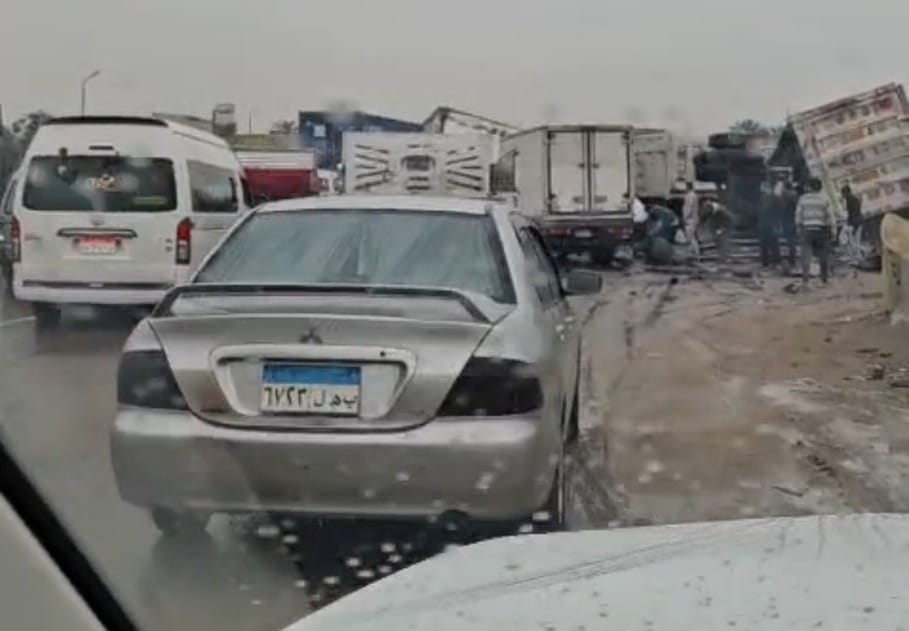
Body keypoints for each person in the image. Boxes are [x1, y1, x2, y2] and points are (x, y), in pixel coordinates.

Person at [796, 177, 837, 284]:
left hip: (807, 229)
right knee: (823, 255)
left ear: (809, 187)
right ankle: (824, 279)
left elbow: (798, 216)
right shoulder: (825, 199)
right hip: (821, 230)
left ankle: (805, 280)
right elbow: (830, 217)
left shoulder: (803, 199)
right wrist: (833, 231)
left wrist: (799, 228)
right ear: (820, 187)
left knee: (806, 255)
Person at [701, 199, 734, 264]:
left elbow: (729, 220)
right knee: (717, 241)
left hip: (725, 226)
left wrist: (723, 228)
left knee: (723, 241)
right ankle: (721, 257)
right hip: (715, 225)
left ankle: (726, 258)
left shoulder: (722, 211)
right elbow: (704, 216)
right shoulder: (708, 210)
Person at [759, 183, 782, 268]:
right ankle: (771, 261)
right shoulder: (772, 198)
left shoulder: (770, 199)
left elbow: (777, 211)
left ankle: (769, 262)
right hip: (767, 223)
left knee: (771, 244)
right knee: (771, 244)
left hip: (768, 224)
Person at [841, 184, 863, 262]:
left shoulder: (850, 200)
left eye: (843, 193)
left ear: (846, 193)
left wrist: (853, 227)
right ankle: (857, 256)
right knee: (855, 241)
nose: (842, 195)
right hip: (857, 222)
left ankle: (857, 257)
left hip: (854, 223)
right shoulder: (852, 199)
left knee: (854, 241)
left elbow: (853, 213)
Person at [780, 182, 799, 267]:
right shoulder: (795, 195)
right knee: (792, 241)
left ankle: (792, 259)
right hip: (793, 219)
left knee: (790, 241)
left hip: (787, 220)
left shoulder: (784, 194)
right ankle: (792, 259)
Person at [682, 182, 700, 258]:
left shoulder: (689, 196)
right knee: (692, 238)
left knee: (690, 239)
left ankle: (694, 255)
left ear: (688, 187)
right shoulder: (694, 195)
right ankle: (695, 254)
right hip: (694, 219)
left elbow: (688, 208)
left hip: (690, 220)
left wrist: (684, 217)